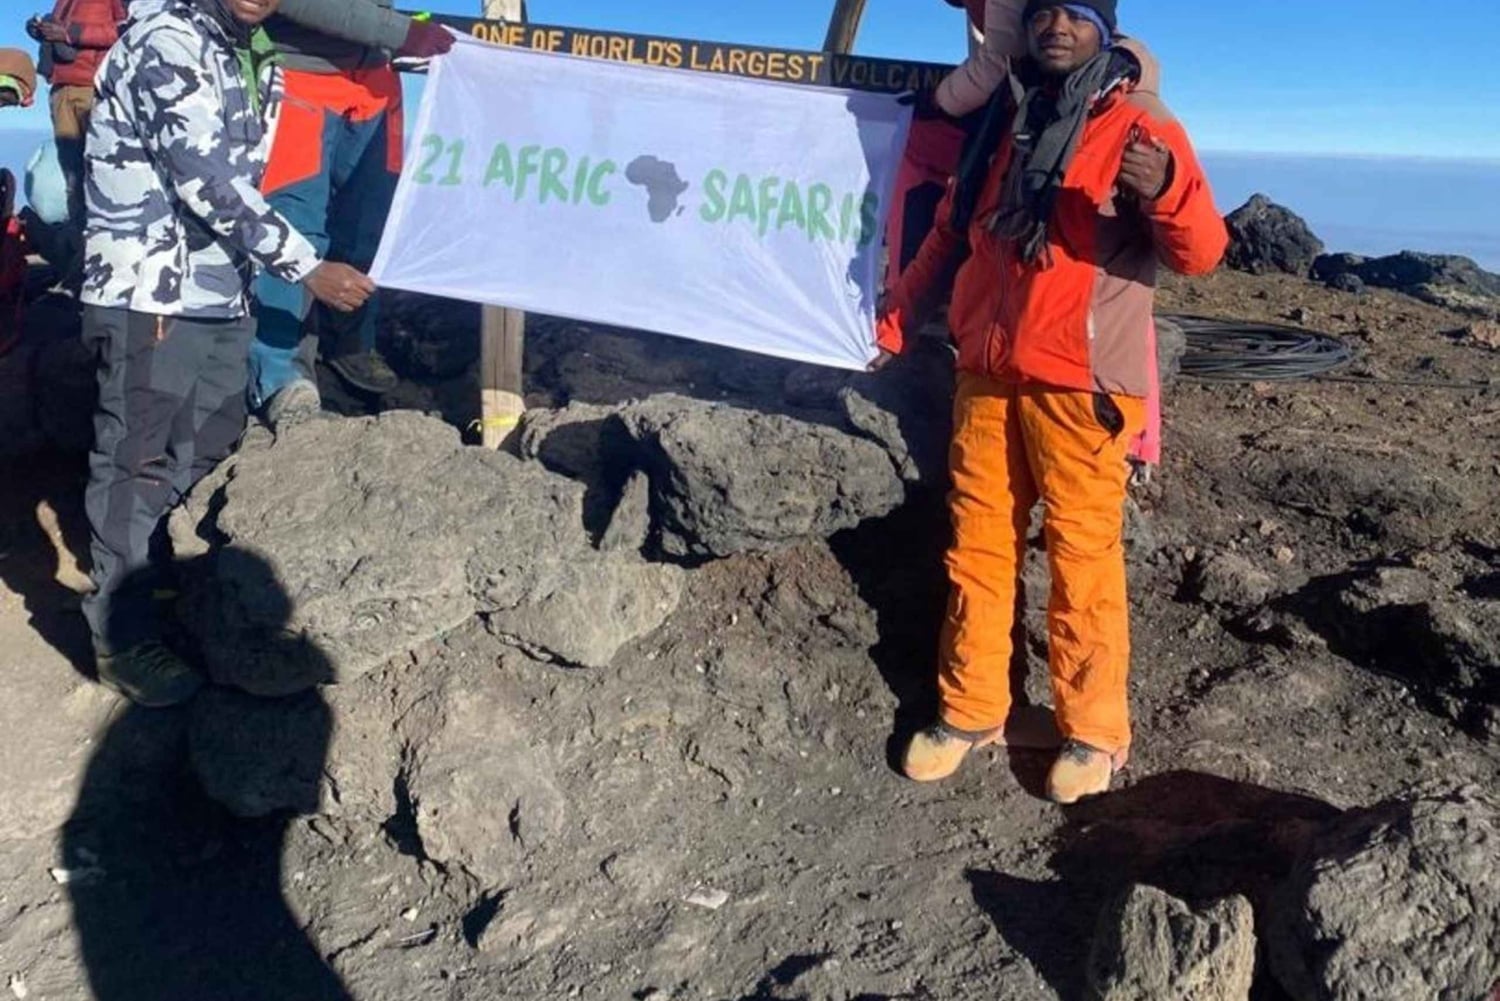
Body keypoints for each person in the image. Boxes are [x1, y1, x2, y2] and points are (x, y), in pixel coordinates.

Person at [877, 0, 1228, 803]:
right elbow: (956, 230)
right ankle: (969, 709)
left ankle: (1094, 730)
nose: (1056, 26)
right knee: (977, 544)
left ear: (1103, 26)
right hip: (989, 373)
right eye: (1042, 12)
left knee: (1081, 558)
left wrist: (1167, 188)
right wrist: (898, 318)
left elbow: (1203, 252)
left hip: (1083, 388)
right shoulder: (1008, 115)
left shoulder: (1142, 123)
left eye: (1075, 12)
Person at [80, 0, 375, 706]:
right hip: (147, 291)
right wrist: (305, 268)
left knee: (208, 449)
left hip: (220, 295)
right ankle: (122, 639)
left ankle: (173, 601)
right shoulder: (165, 40)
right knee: (138, 460)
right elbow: (206, 178)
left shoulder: (253, 50)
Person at [248, 0, 454, 426]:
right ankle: (278, 376)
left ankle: (351, 345)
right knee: (293, 228)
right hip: (300, 75)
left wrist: (402, 31)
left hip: (377, 80)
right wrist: (402, 33)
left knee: (370, 226)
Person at [26, 0, 127, 234]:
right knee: (72, 174)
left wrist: (72, 34)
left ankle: (109, 237)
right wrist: (42, 31)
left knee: (102, 168)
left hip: (94, 87)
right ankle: (80, 243)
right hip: (61, 89)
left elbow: (125, 29)